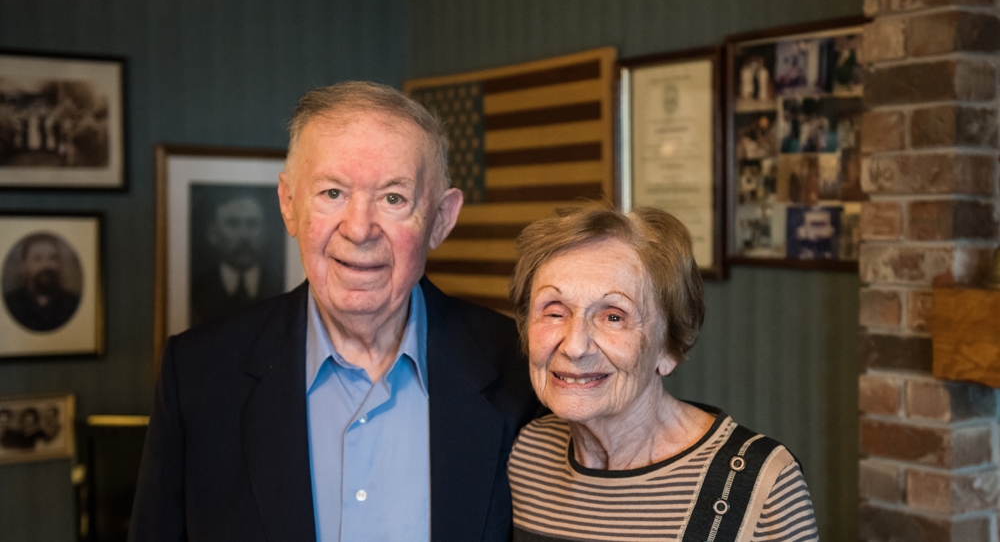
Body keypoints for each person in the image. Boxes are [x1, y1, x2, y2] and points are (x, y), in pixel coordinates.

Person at [129, 81, 540, 542]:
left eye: (393, 198)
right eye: (332, 193)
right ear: (289, 205)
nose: (359, 229)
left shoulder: (523, 372)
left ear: (441, 219)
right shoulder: (198, 375)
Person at [507, 205, 818, 542]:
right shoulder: (527, 456)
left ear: (670, 348)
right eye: (554, 313)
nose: (575, 346)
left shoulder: (760, 484)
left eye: (614, 317)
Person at [190, 193, 284, 326]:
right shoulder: (196, 290)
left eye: (252, 224)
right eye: (232, 224)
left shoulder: (281, 285)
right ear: (213, 234)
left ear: (265, 233)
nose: (244, 235)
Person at [3, 233, 80, 332]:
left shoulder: (72, 303)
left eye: (52, 258)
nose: (46, 265)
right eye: (37, 259)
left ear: (59, 264)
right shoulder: (11, 303)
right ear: (24, 266)